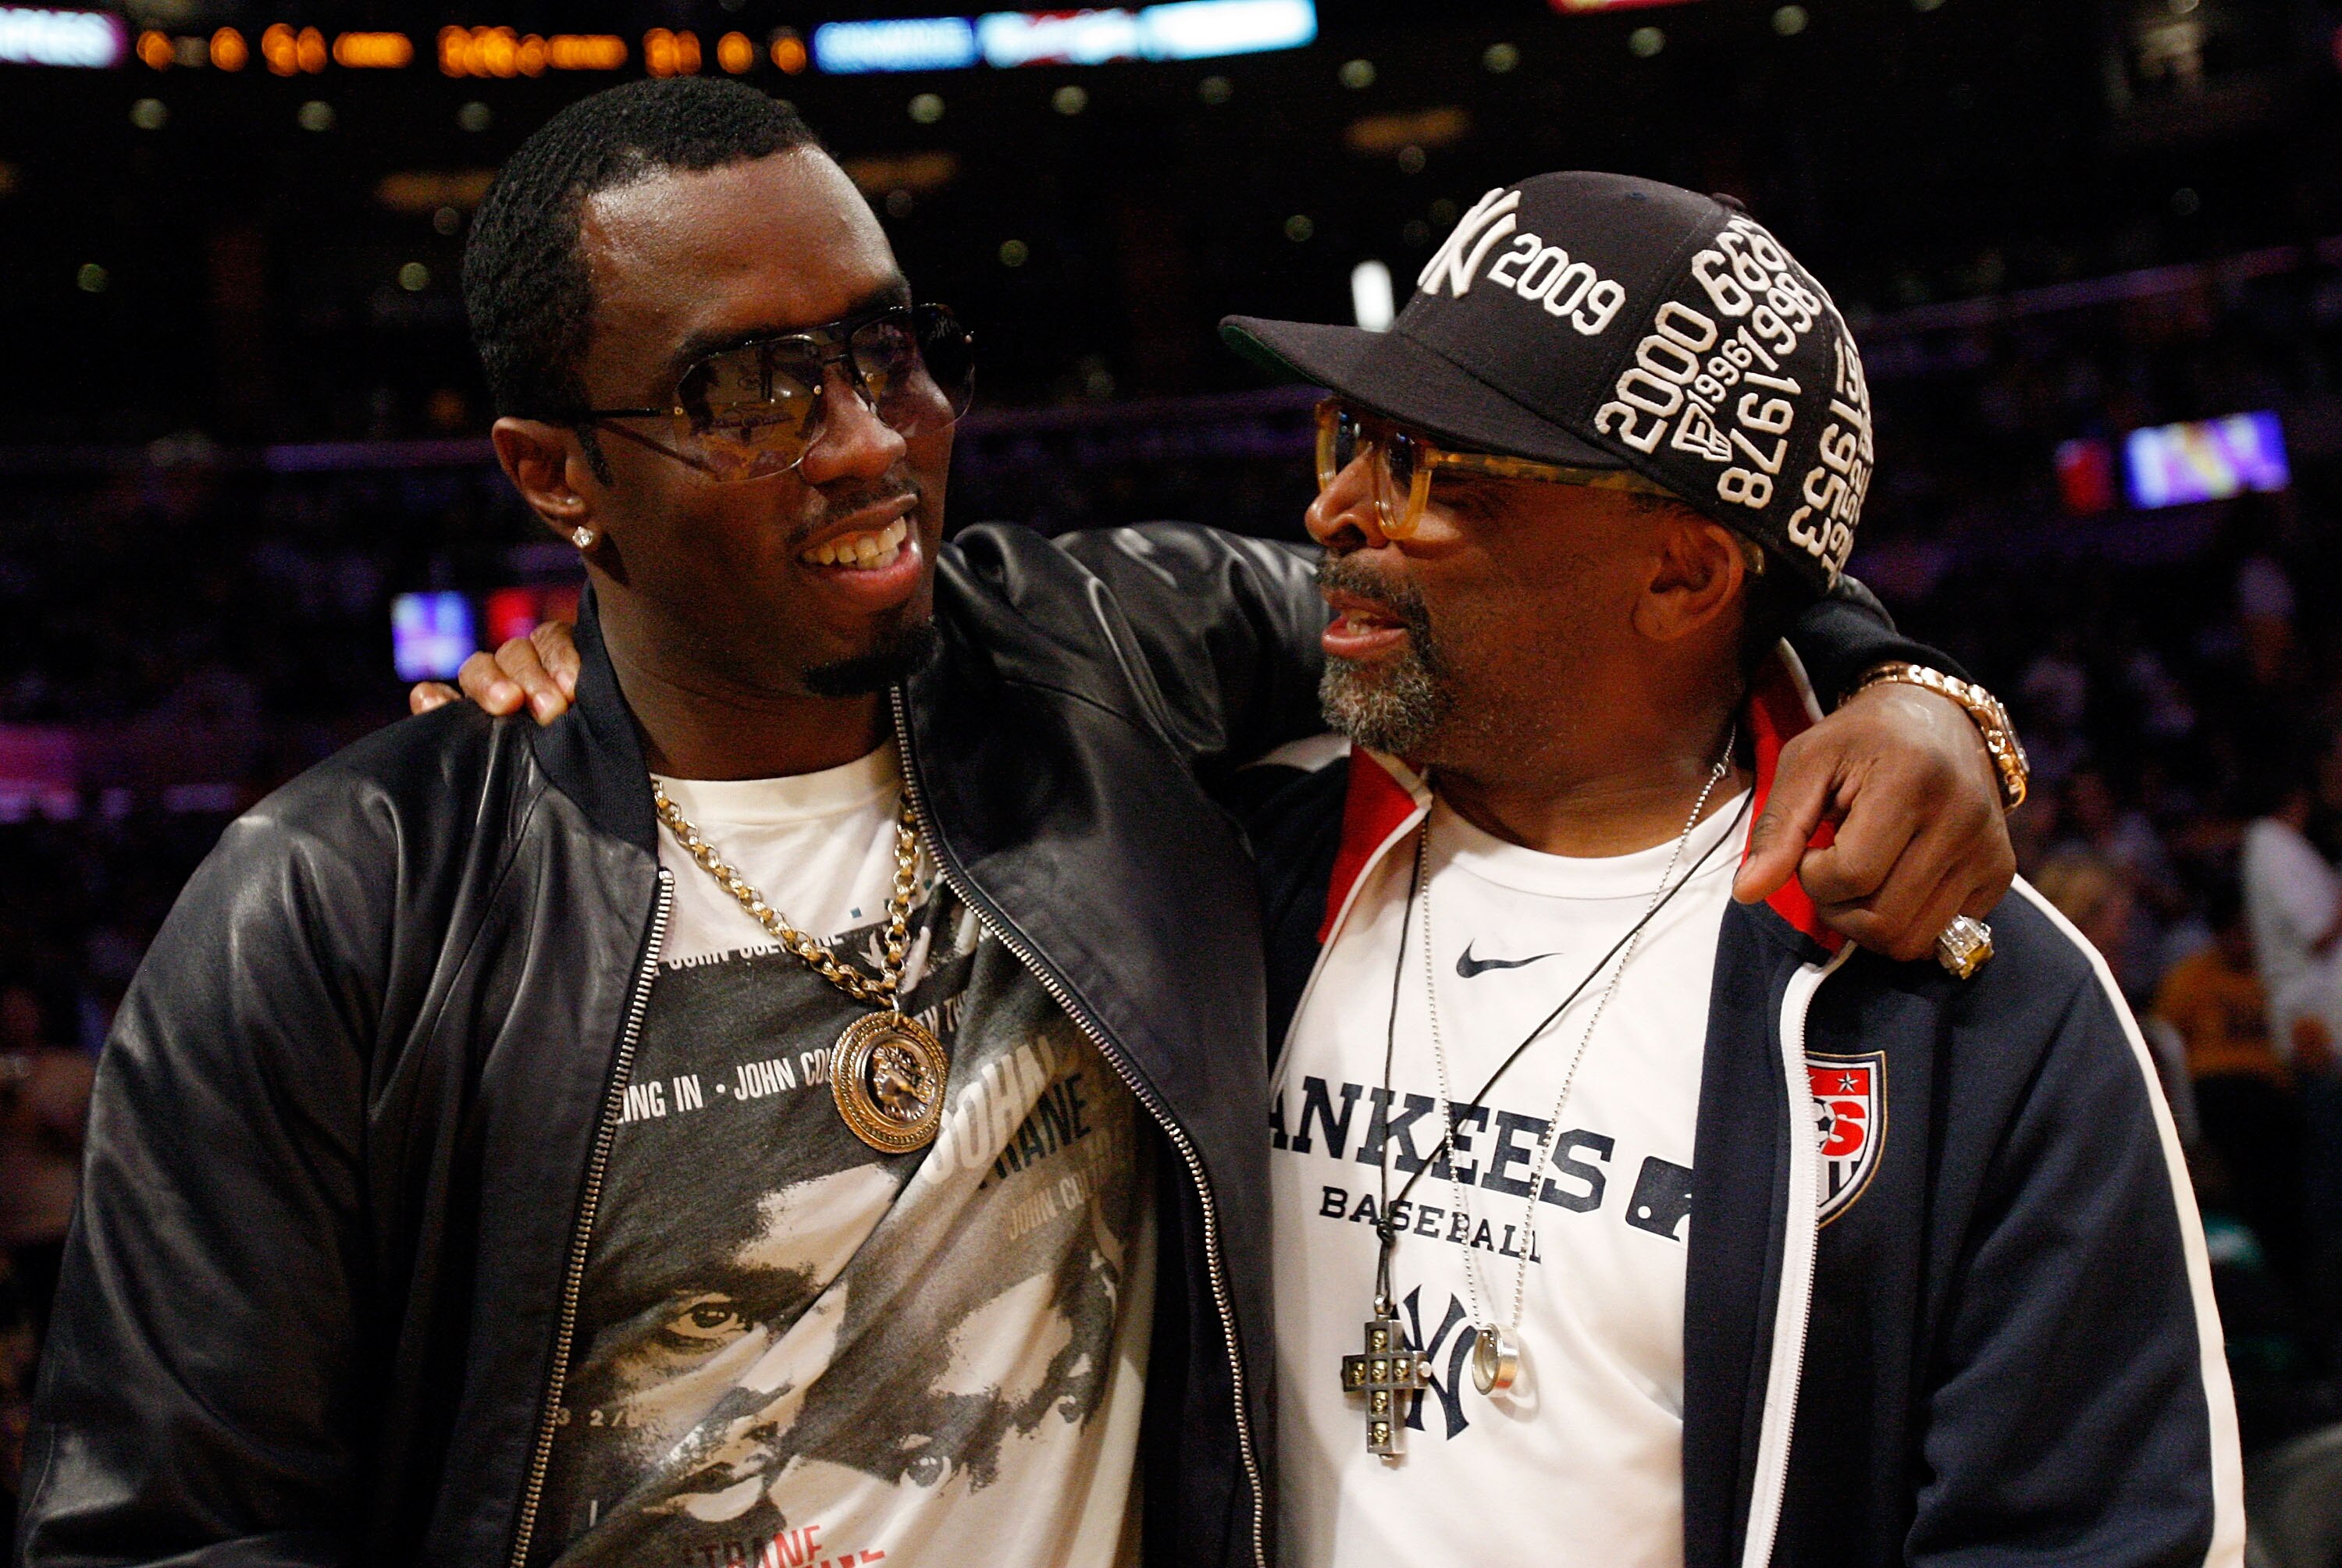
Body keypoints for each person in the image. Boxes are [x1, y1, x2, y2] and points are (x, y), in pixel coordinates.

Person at [20, 84, 2016, 1568]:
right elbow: (166, 1533)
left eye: (890, 348)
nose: (875, 439)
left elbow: (1534, 601)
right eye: (755, 389)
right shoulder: (338, 909)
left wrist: (1901, 677)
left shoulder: (1100, 655)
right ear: (556, 474)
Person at [1212, 172, 2239, 1565]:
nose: (1335, 506)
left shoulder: (1973, 1001)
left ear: (1686, 577)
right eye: (1345, 434)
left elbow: (2091, 1538)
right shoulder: (1236, 861)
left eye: (1420, 466)